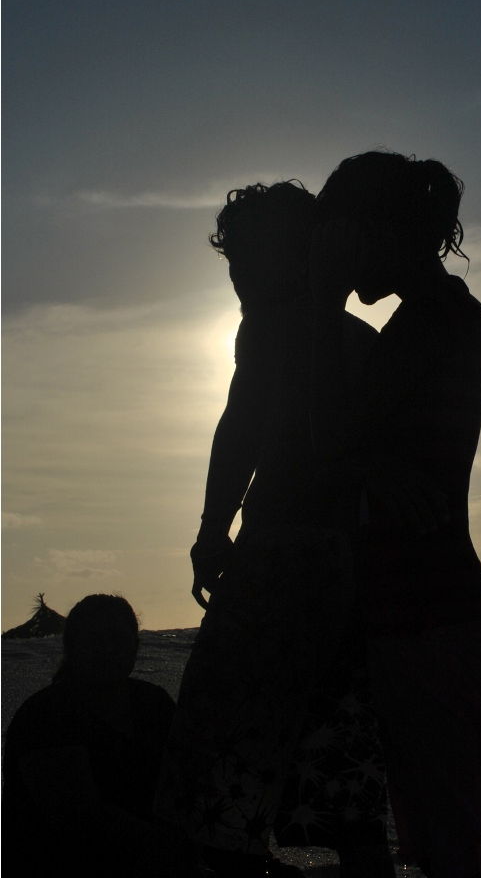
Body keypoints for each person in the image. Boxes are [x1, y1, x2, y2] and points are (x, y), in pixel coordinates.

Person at [155, 182, 392, 878]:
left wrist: (209, 531)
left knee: (220, 761)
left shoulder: (271, 327)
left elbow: (242, 430)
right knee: (340, 771)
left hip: (284, 554)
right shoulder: (362, 338)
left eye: (246, 263)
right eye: (234, 266)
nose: (238, 281)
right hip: (351, 568)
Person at [309, 151, 481, 878]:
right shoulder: (433, 316)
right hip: (426, 608)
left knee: (450, 843)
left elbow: (338, 440)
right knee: (446, 833)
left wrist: (319, 293)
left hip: (429, 611)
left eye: (339, 232)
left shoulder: (434, 317)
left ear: (372, 229)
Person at [2, 594, 203, 878]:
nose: (107, 650)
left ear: (135, 646)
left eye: (118, 641)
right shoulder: (46, 715)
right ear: (72, 648)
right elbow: (81, 821)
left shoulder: (152, 703)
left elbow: (190, 778)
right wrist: (177, 850)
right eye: (95, 641)